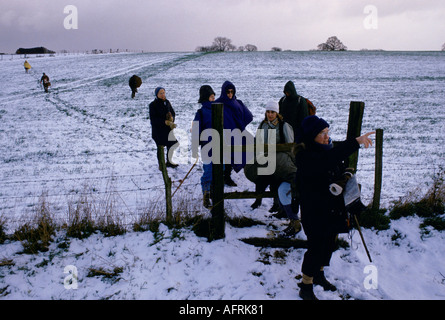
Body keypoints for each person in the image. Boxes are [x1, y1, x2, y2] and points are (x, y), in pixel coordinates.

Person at [295, 115, 374, 300]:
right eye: (322, 133)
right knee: (315, 247)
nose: (326, 136)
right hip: (314, 211)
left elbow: (334, 165)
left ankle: (319, 275)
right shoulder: (306, 156)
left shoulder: (325, 149)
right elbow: (328, 161)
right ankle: (306, 285)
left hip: (330, 209)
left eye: (327, 132)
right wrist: (356, 142)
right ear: (311, 136)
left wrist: (345, 175)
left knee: (328, 244)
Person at [246, 101, 301, 236]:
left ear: (277, 113)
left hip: (281, 161)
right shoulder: (262, 125)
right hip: (265, 160)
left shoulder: (284, 126)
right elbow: (257, 143)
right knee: (263, 179)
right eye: (268, 112)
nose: (270, 114)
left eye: (273, 112)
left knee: (282, 185)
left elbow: (290, 146)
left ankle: (285, 211)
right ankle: (264, 201)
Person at [215, 81, 253, 186]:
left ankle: (227, 176)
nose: (230, 94)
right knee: (224, 157)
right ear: (223, 92)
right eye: (228, 92)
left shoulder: (237, 103)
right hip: (222, 135)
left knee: (234, 155)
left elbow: (248, 115)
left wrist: (241, 124)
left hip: (236, 134)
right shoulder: (218, 103)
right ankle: (222, 178)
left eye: (232, 91)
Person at [192, 85, 217, 208]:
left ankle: (214, 193)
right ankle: (206, 196)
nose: (214, 98)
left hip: (220, 146)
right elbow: (196, 130)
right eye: (211, 96)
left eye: (214, 96)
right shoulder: (201, 113)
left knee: (220, 170)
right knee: (208, 171)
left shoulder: (219, 109)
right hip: (207, 147)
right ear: (206, 98)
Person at [149, 87, 179, 168]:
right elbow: (153, 119)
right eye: (160, 93)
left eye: (163, 93)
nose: (163, 95)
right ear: (157, 95)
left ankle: (169, 161)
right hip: (158, 131)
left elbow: (172, 112)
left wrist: (172, 118)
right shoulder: (153, 105)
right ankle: (161, 164)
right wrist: (164, 122)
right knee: (160, 147)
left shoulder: (167, 102)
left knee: (172, 144)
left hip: (167, 130)